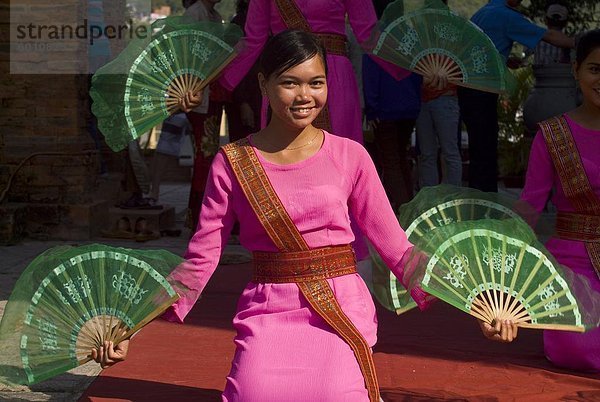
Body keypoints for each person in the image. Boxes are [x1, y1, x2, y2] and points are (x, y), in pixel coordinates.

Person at [91, 30, 518, 401]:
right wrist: (132, 324)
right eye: (290, 83)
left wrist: (476, 303)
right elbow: (201, 259)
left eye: (316, 83)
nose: (304, 96)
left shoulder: (351, 155)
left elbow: (398, 250)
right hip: (268, 309)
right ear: (263, 84)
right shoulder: (233, 161)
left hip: (340, 308)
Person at [520, 29, 600, 372]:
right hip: (572, 262)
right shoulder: (552, 135)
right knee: (577, 347)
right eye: (595, 69)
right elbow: (528, 208)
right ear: (576, 71)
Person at [458, 0, 575, 192]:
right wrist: (584, 43)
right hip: (482, 89)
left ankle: (479, 198)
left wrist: (504, 60)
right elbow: (549, 36)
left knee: (478, 148)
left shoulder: (484, 12)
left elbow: (483, 47)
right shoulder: (508, 16)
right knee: (485, 149)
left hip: (467, 86)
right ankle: (486, 202)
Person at [182, 0, 226, 231]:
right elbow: (186, 55)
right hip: (198, 94)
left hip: (214, 94)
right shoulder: (194, 14)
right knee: (204, 155)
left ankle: (201, 217)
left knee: (208, 155)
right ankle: (197, 218)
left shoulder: (214, 16)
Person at [363, 57, 422, 210]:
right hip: (409, 108)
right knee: (401, 157)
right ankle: (408, 204)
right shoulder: (408, 48)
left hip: (385, 110)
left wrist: (372, 110)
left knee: (391, 162)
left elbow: (370, 78)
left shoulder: (376, 48)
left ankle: (403, 208)